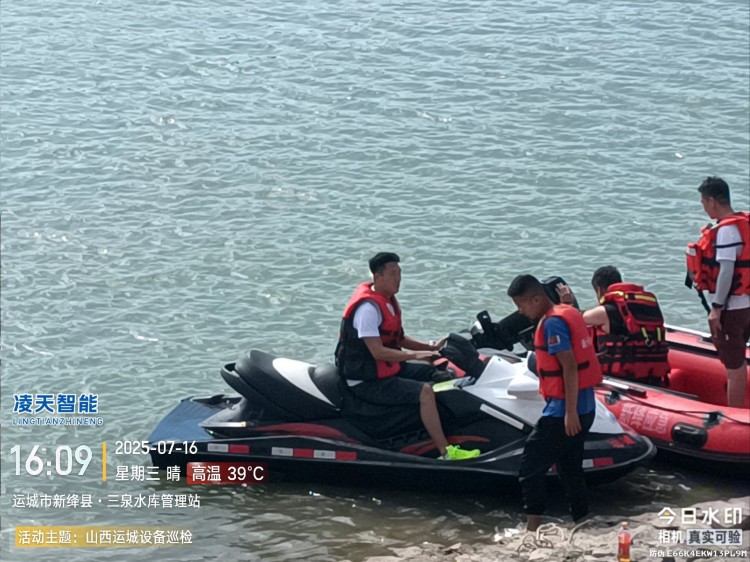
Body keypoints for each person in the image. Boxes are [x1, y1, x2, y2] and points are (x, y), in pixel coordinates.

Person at [335, 252, 480, 460]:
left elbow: (399, 339)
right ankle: (445, 452)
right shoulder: (367, 309)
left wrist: (430, 348)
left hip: (385, 369)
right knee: (425, 392)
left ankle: (446, 430)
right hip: (365, 380)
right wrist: (417, 355)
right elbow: (378, 351)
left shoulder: (388, 302)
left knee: (440, 372)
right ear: (377, 276)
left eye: (400, 273)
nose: (398, 278)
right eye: (392, 274)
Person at [507, 274, 602, 531]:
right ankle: (582, 518)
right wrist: (567, 301)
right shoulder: (567, 312)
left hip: (564, 413)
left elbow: (569, 366)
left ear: (536, 299)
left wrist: (569, 412)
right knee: (570, 467)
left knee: (530, 469)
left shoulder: (552, 324)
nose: (520, 311)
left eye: (521, 305)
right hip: (586, 408)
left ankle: (532, 528)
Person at [686, 177, 750, 408]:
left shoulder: (726, 231)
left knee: (734, 367)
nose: (704, 207)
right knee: (736, 360)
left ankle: (735, 416)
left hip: (732, 309)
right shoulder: (743, 224)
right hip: (746, 304)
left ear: (712, 201)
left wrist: (716, 307)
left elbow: (726, 271)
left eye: (704, 202)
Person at [565, 266, 669, 386]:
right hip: (653, 375)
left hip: (623, 376)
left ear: (599, 290)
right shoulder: (646, 307)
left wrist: (567, 302)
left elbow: (575, 319)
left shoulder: (605, 312)